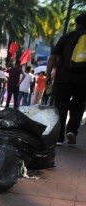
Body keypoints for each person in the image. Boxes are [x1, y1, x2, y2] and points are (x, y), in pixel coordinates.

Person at [47, 13, 86, 145]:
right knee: (79, 105)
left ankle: (59, 137)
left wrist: (48, 74)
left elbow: (53, 57)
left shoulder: (67, 37)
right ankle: (72, 131)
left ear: (77, 24)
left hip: (64, 78)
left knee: (61, 105)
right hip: (83, 80)